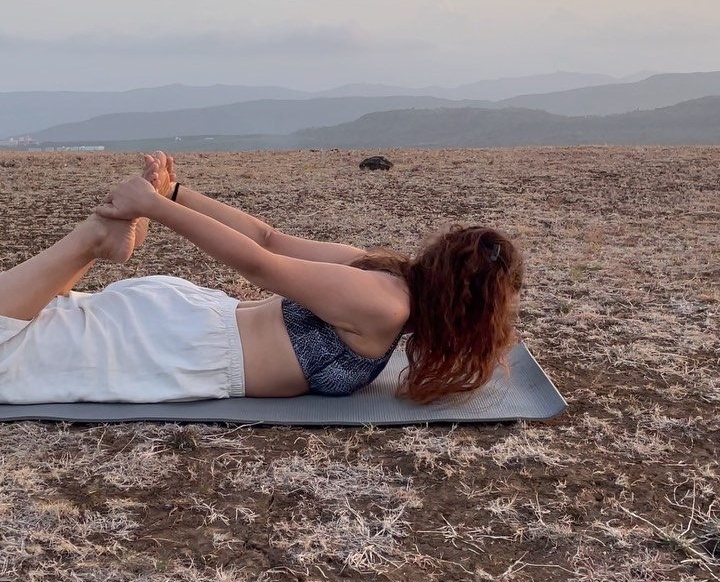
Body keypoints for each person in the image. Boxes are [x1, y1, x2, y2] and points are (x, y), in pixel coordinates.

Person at [0, 152, 523, 405]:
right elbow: (263, 253)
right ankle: (91, 240)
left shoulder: (379, 277)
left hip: (183, 325)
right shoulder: (383, 297)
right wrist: (169, 199)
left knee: (36, 324)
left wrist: (161, 203)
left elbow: (264, 247)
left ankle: (92, 244)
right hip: (182, 344)